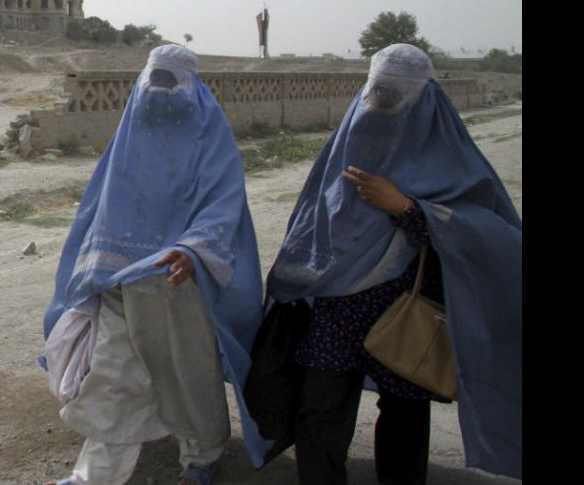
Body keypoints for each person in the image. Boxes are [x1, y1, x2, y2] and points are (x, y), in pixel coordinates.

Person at [262, 44, 522, 484]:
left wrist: (407, 208)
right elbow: (312, 217)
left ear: (425, 97)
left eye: (396, 94)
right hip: (337, 305)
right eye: (377, 92)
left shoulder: (448, 155)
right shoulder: (349, 140)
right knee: (321, 407)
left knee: (404, 413)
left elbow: (487, 233)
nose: (382, 104)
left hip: (405, 306)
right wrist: (292, 277)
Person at [40, 44, 269, 485]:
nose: (160, 93)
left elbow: (223, 204)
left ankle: (201, 457)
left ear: (192, 86)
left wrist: (193, 250)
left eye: (171, 82)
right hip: (117, 280)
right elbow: (99, 206)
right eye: (154, 80)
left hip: (179, 282)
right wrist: (92, 263)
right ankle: (93, 476)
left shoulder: (210, 139)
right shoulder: (130, 135)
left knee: (188, 376)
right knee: (113, 375)